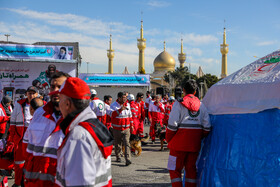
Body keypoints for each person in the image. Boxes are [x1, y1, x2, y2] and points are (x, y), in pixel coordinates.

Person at [55, 77, 113, 187]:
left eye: (60, 100)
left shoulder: (78, 136)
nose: (59, 105)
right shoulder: (92, 124)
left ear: (67, 104)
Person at [23, 71, 70, 186]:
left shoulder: (78, 117)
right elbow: (27, 146)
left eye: (60, 86)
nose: (55, 90)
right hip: (35, 182)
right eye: (53, 87)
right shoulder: (39, 113)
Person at [166, 80, 211, 187]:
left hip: (177, 145)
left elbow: (172, 125)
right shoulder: (202, 105)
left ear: (184, 91)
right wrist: (198, 137)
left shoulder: (178, 103)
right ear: (195, 92)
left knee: (174, 170)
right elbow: (207, 127)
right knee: (191, 170)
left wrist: (169, 140)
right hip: (194, 145)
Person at [5, 86, 38, 187]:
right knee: (19, 162)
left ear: (37, 94)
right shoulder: (19, 104)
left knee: (33, 162)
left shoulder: (42, 104)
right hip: (21, 136)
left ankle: (30, 182)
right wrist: (13, 138)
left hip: (35, 138)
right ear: (26, 94)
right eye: (29, 93)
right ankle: (18, 183)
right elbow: (13, 121)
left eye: (33, 93)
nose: (31, 95)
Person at [110, 92, 133, 166]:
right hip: (117, 129)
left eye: (125, 98)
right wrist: (120, 110)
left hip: (126, 129)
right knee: (118, 144)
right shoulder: (113, 105)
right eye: (123, 98)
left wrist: (131, 125)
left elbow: (130, 116)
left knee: (127, 143)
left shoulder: (128, 105)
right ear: (119, 98)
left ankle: (128, 159)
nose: (125, 99)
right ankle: (118, 156)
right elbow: (111, 115)